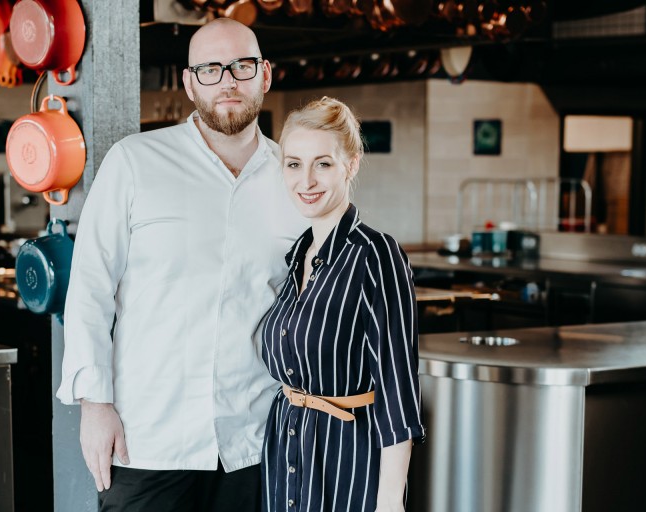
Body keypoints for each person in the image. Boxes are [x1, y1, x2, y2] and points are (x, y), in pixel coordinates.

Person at [56, 18, 307, 512]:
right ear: (190, 83)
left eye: (242, 66)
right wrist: (94, 405)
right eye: (211, 69)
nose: (228, 81)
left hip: (254, 440)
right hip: (148, 437)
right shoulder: (135, 162)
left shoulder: (292, 180)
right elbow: (89, 288)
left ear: (266, 75)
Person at [260, 97, 425, 512]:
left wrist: (390, 500)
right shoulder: (297, 253)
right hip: (286, 456)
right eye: (294, 164)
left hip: (347, 460)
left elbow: (398, 390)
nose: (306, 180)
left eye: (324, 164)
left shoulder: (376, 254)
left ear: (351, 165)